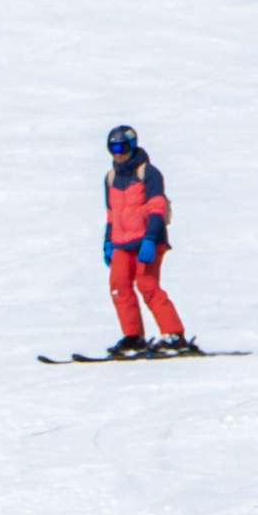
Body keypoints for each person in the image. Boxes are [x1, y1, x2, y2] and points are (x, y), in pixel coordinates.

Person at [101, 124, 193, 356]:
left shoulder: (149, 173)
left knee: (147, 284)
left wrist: (151, 238)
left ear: (132, 146)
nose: (117, 153)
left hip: (146, 240)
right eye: (112, 148)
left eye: (121, 147)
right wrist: (108, 242)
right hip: (122, 242)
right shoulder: (111, 178)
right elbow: (110, 213)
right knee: (119, 287)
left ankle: (174, 335)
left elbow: (156, 208)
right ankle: (133, 337)